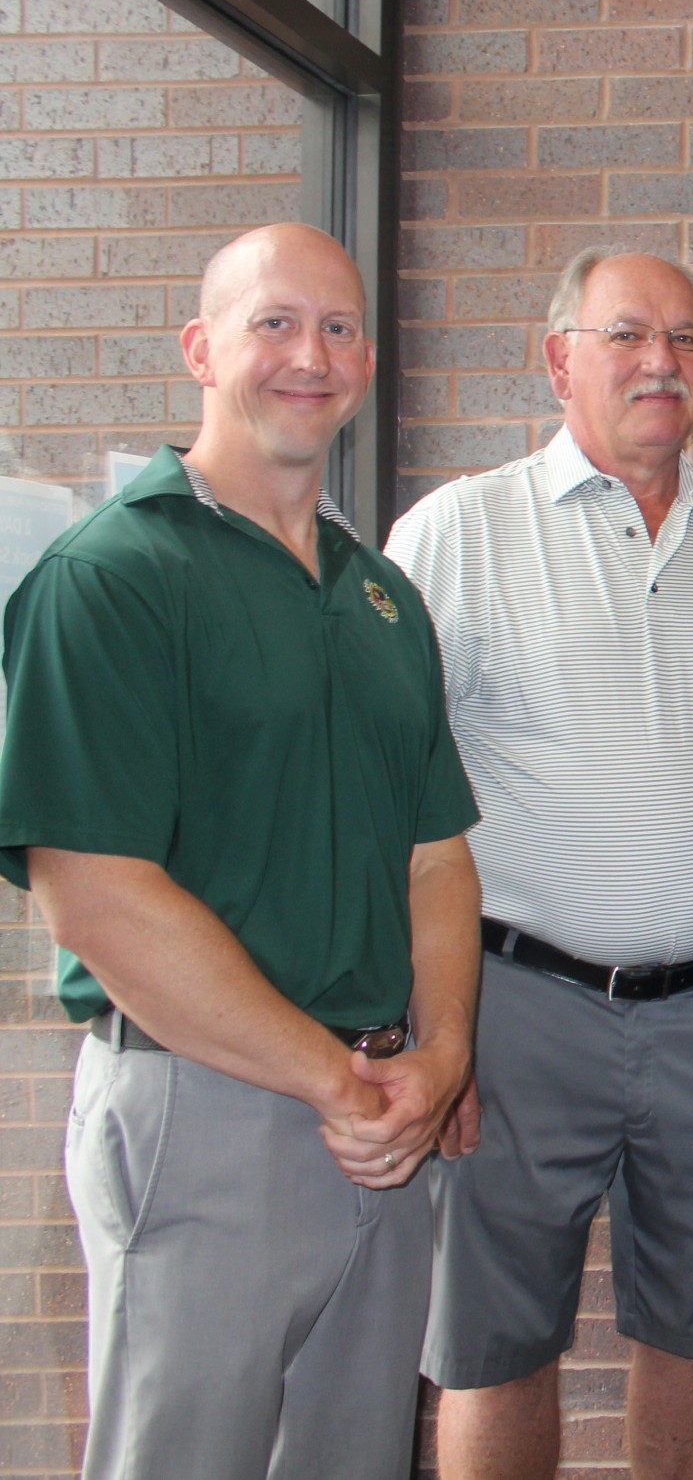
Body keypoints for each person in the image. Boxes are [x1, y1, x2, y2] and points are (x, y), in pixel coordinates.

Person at [0, 223, 483, 1480]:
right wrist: (335, 1081)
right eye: (274, 323)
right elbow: (96, 896)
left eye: (338, 328)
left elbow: (435, 859)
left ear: (366, 361)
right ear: (201, 349)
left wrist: (439, 1059)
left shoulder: (383, 599)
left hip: (384, 1116)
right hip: (208, 1106)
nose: (309, 355)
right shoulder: (110, 577)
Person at [385, 249, 693, 1480]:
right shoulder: (459, 530)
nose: (663, 361)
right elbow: (386, 789)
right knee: (493, 1347)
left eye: (687, 337)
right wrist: (428, 1030)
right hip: (514, 1011)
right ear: (559, 360)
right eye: (628, 335)